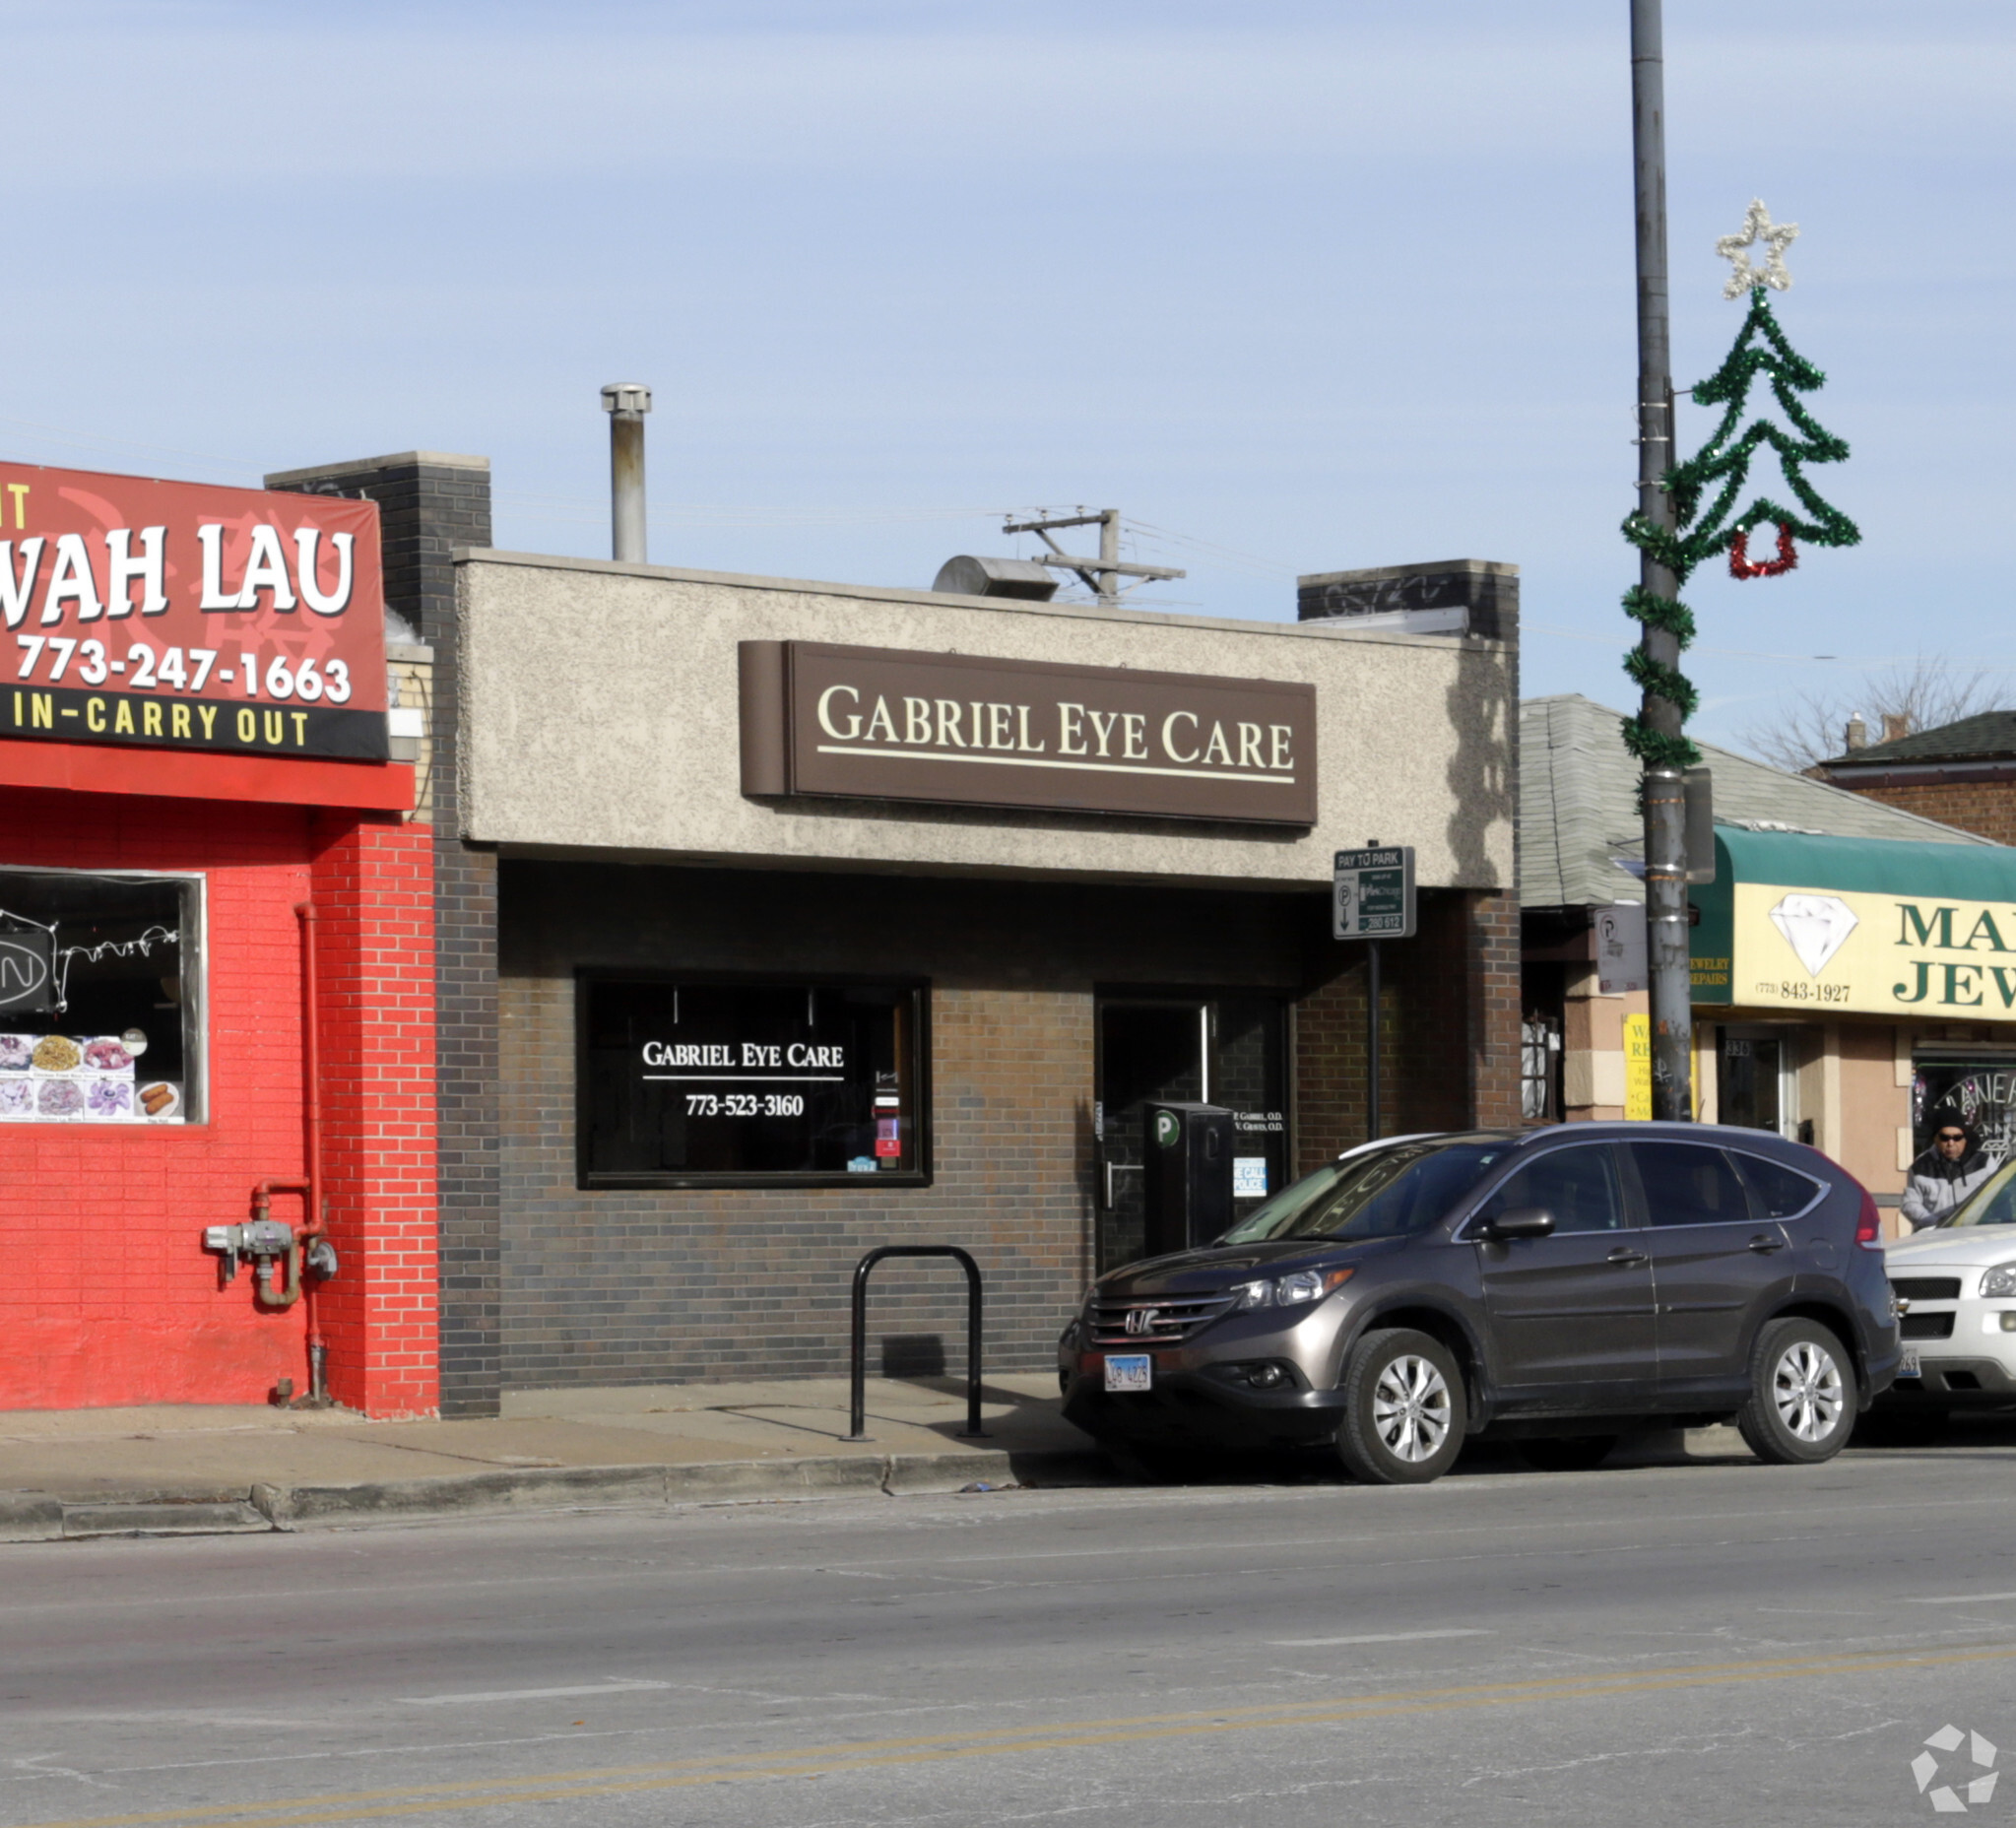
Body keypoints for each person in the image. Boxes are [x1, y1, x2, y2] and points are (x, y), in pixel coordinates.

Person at [1902, 1121, 1997, 1230]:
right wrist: (1936, 1223)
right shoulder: (1920, 1166)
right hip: (1934, 1237)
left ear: (1965, 1138)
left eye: (1957, 1137)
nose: (1951, 1143)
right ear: (1935, 1138)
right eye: (1944, 1138)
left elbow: (1998, 1198)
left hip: (1977, 1234)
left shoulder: (1983, 1162)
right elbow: (1909, 1204)